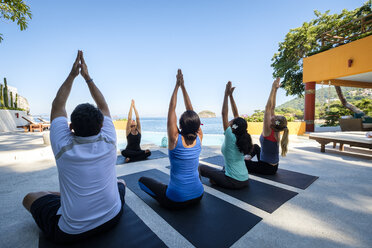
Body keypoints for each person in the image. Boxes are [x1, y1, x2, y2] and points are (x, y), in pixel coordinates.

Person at [22, 51, 125, 244]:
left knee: (30, 197)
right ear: (102, 126)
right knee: (121, 182)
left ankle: (66, 198)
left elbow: (58, 105)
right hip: (113, 217)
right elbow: (103, 105)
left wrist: (72, 76)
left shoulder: (63, 145)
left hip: (72, 232)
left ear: (70, 128)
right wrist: (88, 78)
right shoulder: (110, 140)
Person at [138, 69, 204, 209]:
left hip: (177, 199)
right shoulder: (199, 136)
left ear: (179, 125)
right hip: (199, 195)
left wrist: (177, 85)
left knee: (142, 181)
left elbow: (171, 108)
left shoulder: (174, 139)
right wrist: (184, 86)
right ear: (197, 125)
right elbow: (190, 111)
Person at [199, 81, 252, 189]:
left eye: (231, 121)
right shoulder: (242, 135)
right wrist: (231, 96)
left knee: (200, 167)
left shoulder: (230, 137)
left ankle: (196, 188)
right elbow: (237, 117)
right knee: (222, 169)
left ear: (233, 127)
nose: (230, 121)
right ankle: (216, 180)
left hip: (233, 181)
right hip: (244, 179)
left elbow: (224, 114)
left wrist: (225, 94)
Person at [245, 78, 289, 175]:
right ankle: (247, 157)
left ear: (274, 122)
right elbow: (272, 107)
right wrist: (276, 90)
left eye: (275, 116)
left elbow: (267, 108)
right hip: (273, 165)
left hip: (267, 167)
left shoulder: (268, 131)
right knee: (256, 147)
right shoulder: (276, 129)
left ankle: (246, 160)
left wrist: (272, 88)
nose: (273, 115)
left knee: (239, 163)